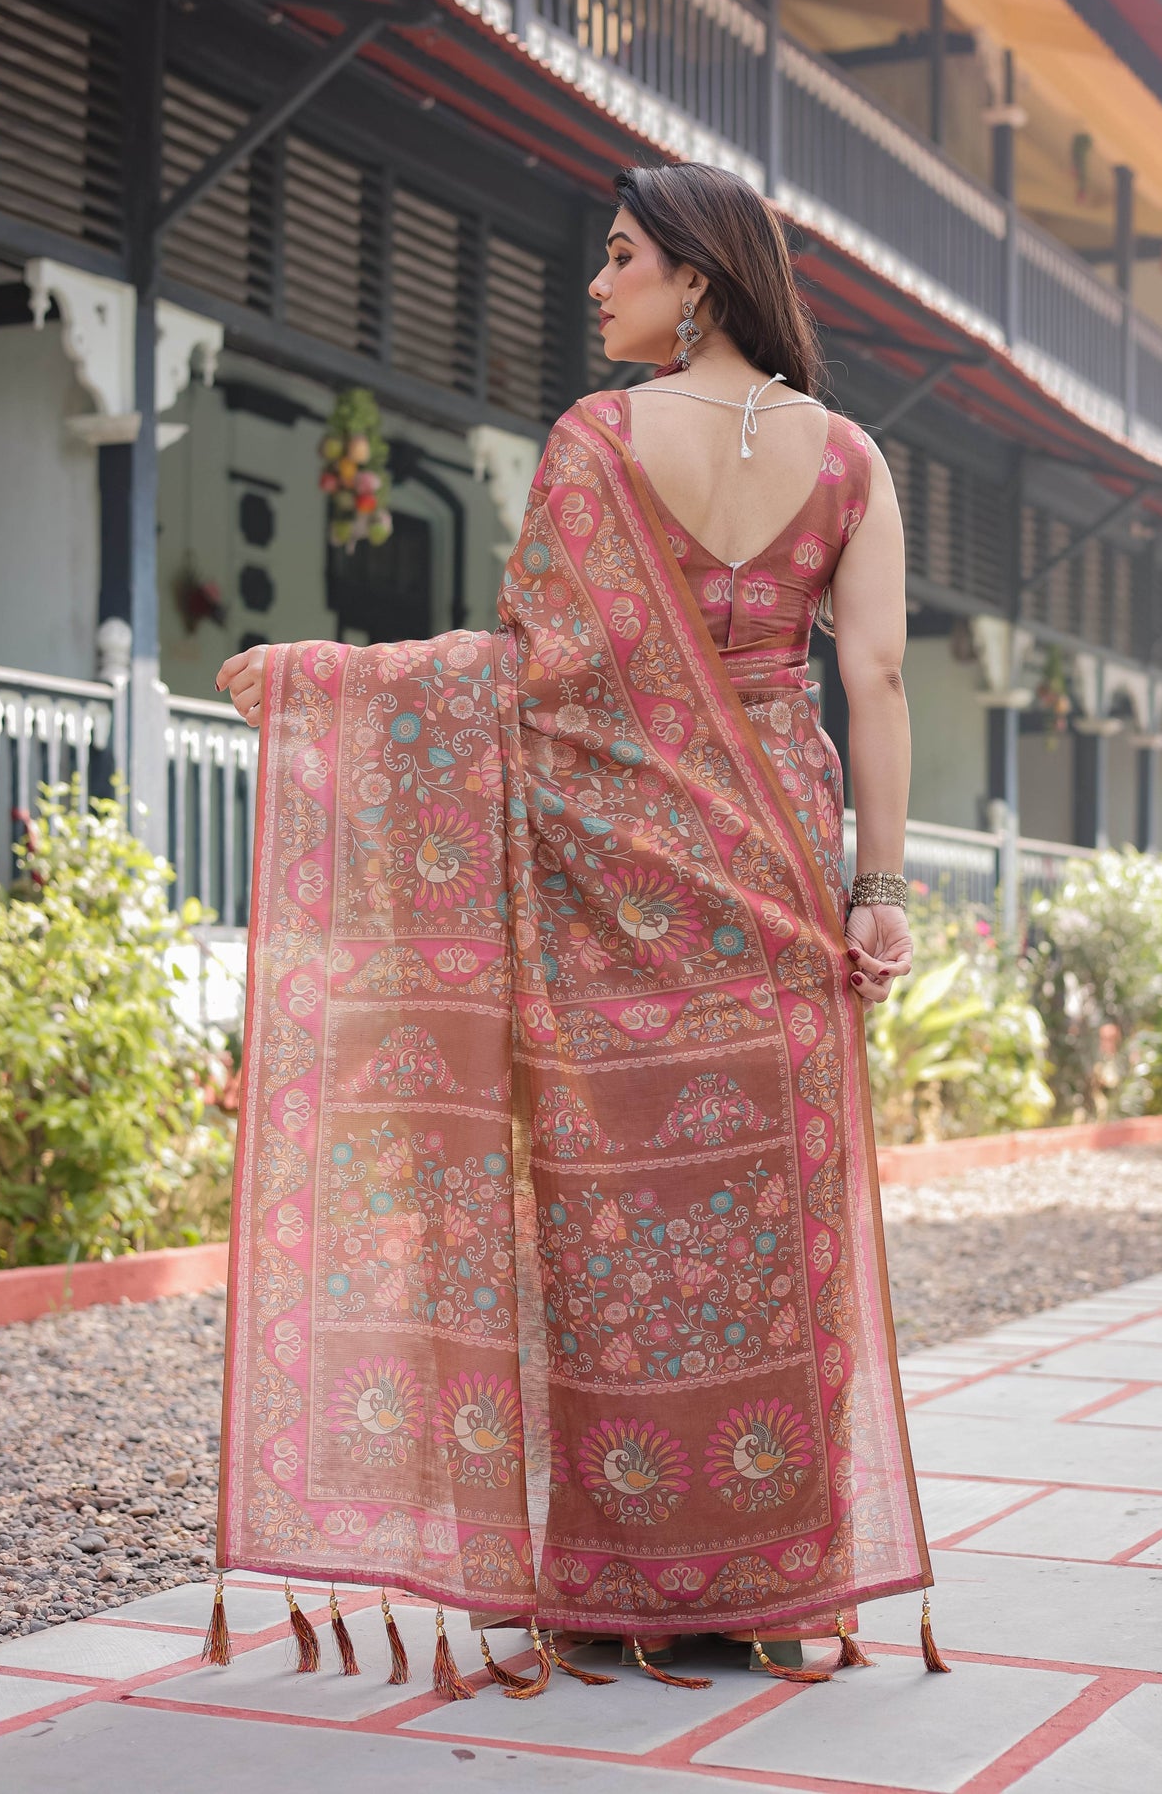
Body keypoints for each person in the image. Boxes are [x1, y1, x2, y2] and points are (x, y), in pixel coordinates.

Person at [211, 161, 941, 1696]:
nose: (595, 286)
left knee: (608, 1220)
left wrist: (329, 681)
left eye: (621, 259)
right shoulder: (854, 461)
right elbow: (872, 684)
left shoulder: (599, 443)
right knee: (769, 1231)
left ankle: (618, 1584)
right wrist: (876, 892)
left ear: (700, 281)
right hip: (785, 867)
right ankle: (772, 1583)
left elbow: (533, 678)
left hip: (616, 884)